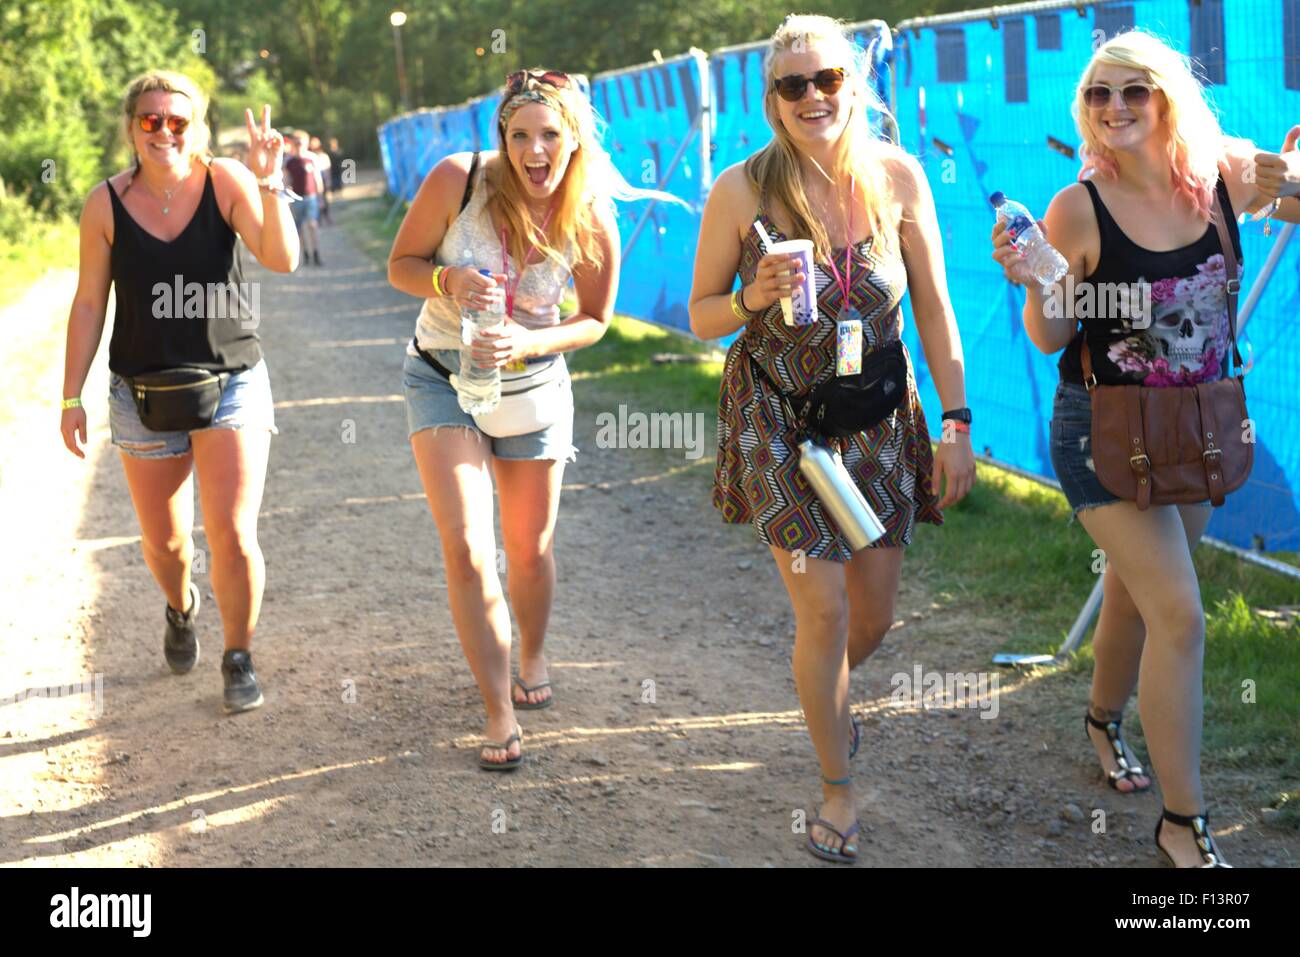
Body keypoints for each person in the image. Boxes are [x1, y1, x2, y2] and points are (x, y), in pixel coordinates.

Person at [991, 29, 1299, 867]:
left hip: (1198, 426)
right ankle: (1183, 822)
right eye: (1099, 95)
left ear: (1168, 97)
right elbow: (1052, 334)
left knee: (1136, 593)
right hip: (1104, 430)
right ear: (1084, 111)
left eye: (1135, 91)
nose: (1117, 108)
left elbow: (1293, 196)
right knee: (1182, 614)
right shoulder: (1076, 206)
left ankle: (1099, 717)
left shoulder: (1221, 178)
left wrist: (1292, 179)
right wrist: (1040, 275)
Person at [689, 15, 976, 863]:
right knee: (824, 606)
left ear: (855, 86)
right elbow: (702, 313)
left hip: (880, 421)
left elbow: (934, 307)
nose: (813, 97)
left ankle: (825, 699)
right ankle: (836, 787)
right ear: (772, 100)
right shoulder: (742, 190)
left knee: (873, 616)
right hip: (783, 422)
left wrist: (956, 426)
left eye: (828, 81)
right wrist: (753, 296)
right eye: (793, 85)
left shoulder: (899, 177)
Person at [387, 69, 685, 770]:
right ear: (501, 138)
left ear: (573, 137)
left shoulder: (593, 215)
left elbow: (594, 320)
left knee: (529, 550)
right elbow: (401, 262)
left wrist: (528, 341)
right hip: (443, 377)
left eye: (549, 133)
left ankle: (536, 648)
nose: (534, 150)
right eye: (519, 135)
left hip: (534, 385)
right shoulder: (457, 181)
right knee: (465, 546)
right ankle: (497, 710)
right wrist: (447, 281)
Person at [59, 70, 299, 713]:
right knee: (166, 546)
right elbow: (88, 304)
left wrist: (270, 178)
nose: (164, 130)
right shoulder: (103, 204)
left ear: (196, 127)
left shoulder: (227, 181)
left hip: (232, 382)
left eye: (178, 120)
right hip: (141, 394)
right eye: (150, 119)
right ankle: (180, 605)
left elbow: (282, 258)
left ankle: (238, 655)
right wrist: (69, 396)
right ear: (131, 126)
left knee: (232, 532)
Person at [285, 131, 324, 265]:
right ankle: (305, 253)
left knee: (312, 225)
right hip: (296, 199)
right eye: (296, 142)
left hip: (311, 197)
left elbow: (318, 179)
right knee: (299, 227)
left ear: (306, 143)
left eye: (301, 142)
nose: (299, 144)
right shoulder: (289, 161)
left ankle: (316, 252)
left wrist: (321, 198)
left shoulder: (312, 158)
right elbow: (286, 181)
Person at [310, 135, 333, 225]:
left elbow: (328, 169)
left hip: (323, 180)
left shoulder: (323, 156)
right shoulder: (309, 156)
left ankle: (326, 217)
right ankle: (317, 218)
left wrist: (328, 181)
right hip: (313, 181)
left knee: (325, 199)